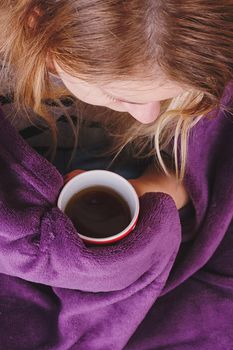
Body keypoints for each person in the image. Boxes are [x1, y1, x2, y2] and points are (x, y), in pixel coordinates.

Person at [0, 1, 232, 349]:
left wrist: (159, 191)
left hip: (137, 167)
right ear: (38, 29)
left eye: (166, 98)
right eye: (120, 96)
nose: (147, 118)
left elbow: (204, 161)